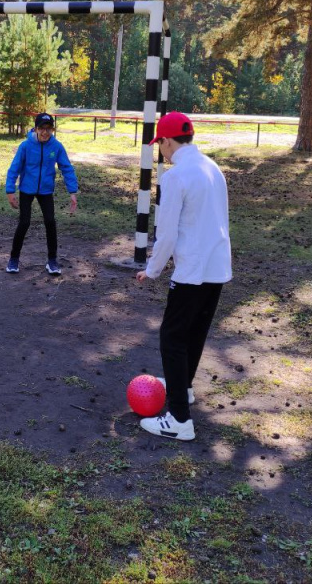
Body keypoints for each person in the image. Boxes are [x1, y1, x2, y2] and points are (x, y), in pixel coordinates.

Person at [135, 111, 231, 441]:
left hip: (192, 270)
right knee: (194, 333)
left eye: (159, 144)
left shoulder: (175, 177)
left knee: (172, 338)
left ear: (167, 141)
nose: (160, 150)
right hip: (217, 267)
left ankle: (179, 419)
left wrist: (152, 270)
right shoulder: (212, 167)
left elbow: (167, 234)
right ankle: (184, 388)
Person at [5, 113, 79, 275]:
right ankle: (14, 259)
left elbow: (67, 168)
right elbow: (14, 168)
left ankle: (52, 261)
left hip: (46, 190)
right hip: (26, 189)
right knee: (24, 222)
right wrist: (10, 191)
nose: (45, 132)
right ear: (36, 129)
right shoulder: (25, 146)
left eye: (49, 129)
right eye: (42, 128)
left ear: (52, 130)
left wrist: (72, 192)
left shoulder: (56, 146)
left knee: (50, 222)